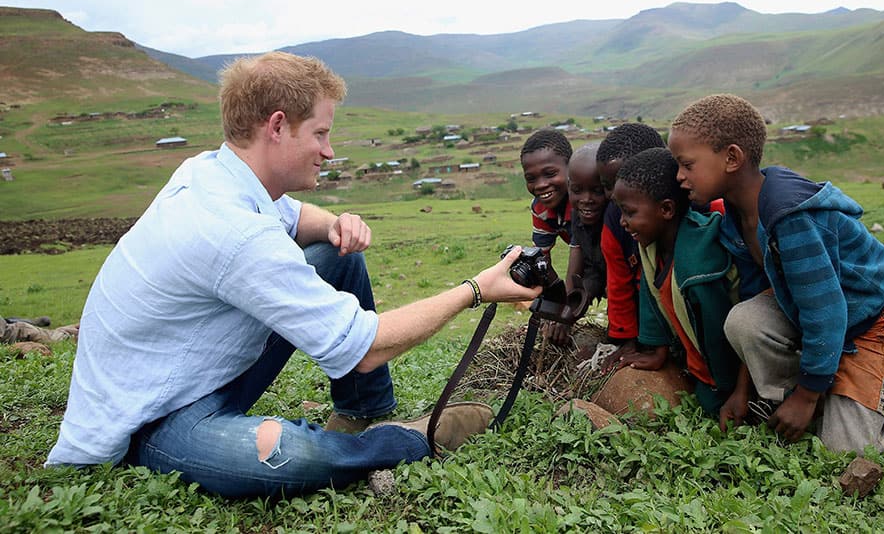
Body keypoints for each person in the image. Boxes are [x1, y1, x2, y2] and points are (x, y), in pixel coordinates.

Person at [46, 52, 541, 498]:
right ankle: (410, 436)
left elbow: (294, 216)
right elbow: (365, 348)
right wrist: (476, 289)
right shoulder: (233, 232)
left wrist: (334, 225)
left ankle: (363, 409)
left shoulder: (211, 171)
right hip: (152, 417)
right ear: (277, 126)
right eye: (321, 134)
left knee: (336, 253)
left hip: (192, 372)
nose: (328, 151)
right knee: (292, 458)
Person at [667, 94, 884, 453]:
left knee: (845, 450)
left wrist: (805, 397)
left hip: (873, 322)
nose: (679, 176)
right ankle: (800, 390)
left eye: (687, 164)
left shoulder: (790, 218)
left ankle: (815, 392)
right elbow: (760, 295)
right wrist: (742, 390)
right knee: (744, 319)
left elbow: (827, 312)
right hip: (811, 314)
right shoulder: (734, 220)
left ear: (732, 158)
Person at [606, 148, 744, 418]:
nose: (622, 222)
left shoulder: (698, 265)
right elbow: (651, 294)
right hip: (698, 362)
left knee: (714, 408)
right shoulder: (650, 247)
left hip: (730, 367)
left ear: (666, 209)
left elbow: (719, 334)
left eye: (629, 212)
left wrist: (730, 390)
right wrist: (658, 351)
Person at [595, 123, 666, 343]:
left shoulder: (695, 214)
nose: (614, 195)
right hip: (645, 319)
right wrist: (626, 339)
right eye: (607, 186)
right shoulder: (613, 222)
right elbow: (618, 284)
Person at [547, 143, 609, 346]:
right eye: (577, 190)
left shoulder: (619, 221)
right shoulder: (578, 216)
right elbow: (589, 271)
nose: (586, 200)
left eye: (597, 190)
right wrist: (567, 312)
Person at [520, 129, 573, 254]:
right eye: (531, 179)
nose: (540, 185)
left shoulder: (588, 203)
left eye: (550, 174)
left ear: (571, 166)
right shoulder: (539, 207)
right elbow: (541, 255)